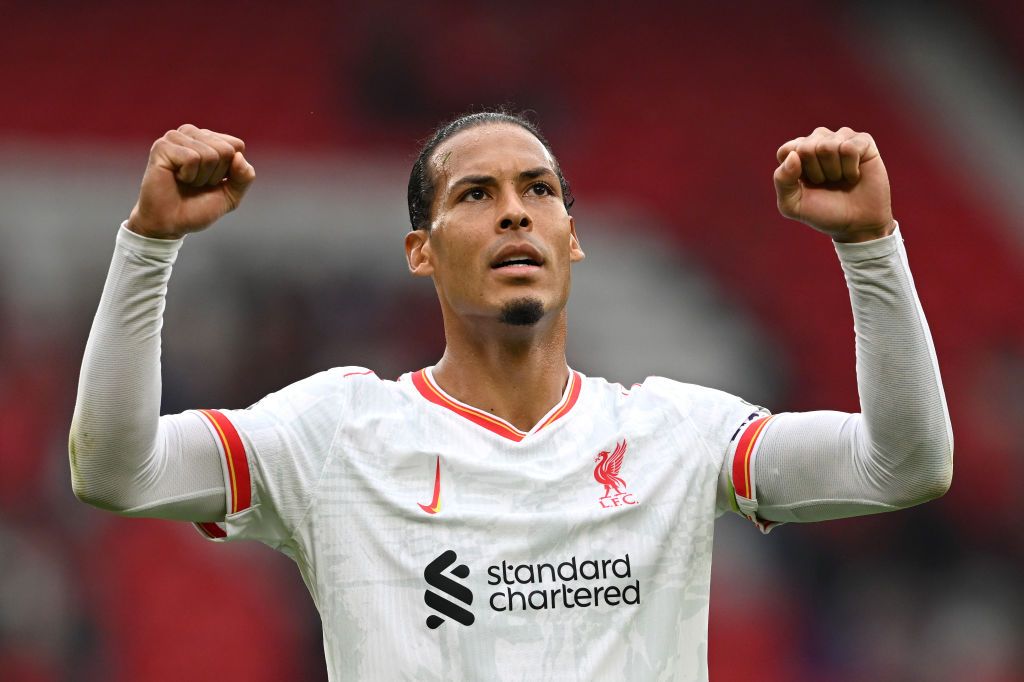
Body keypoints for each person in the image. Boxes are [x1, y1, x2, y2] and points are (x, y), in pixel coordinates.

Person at [69, 112, 953, 680]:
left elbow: (903, 466)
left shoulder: (677, 432)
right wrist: (148, 245)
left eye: (539, 192)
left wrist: (871, 246)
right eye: (476, 195)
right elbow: (117, 471)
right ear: (421, 251)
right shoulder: (335, 432)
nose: (515, 212)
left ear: (572, 240)